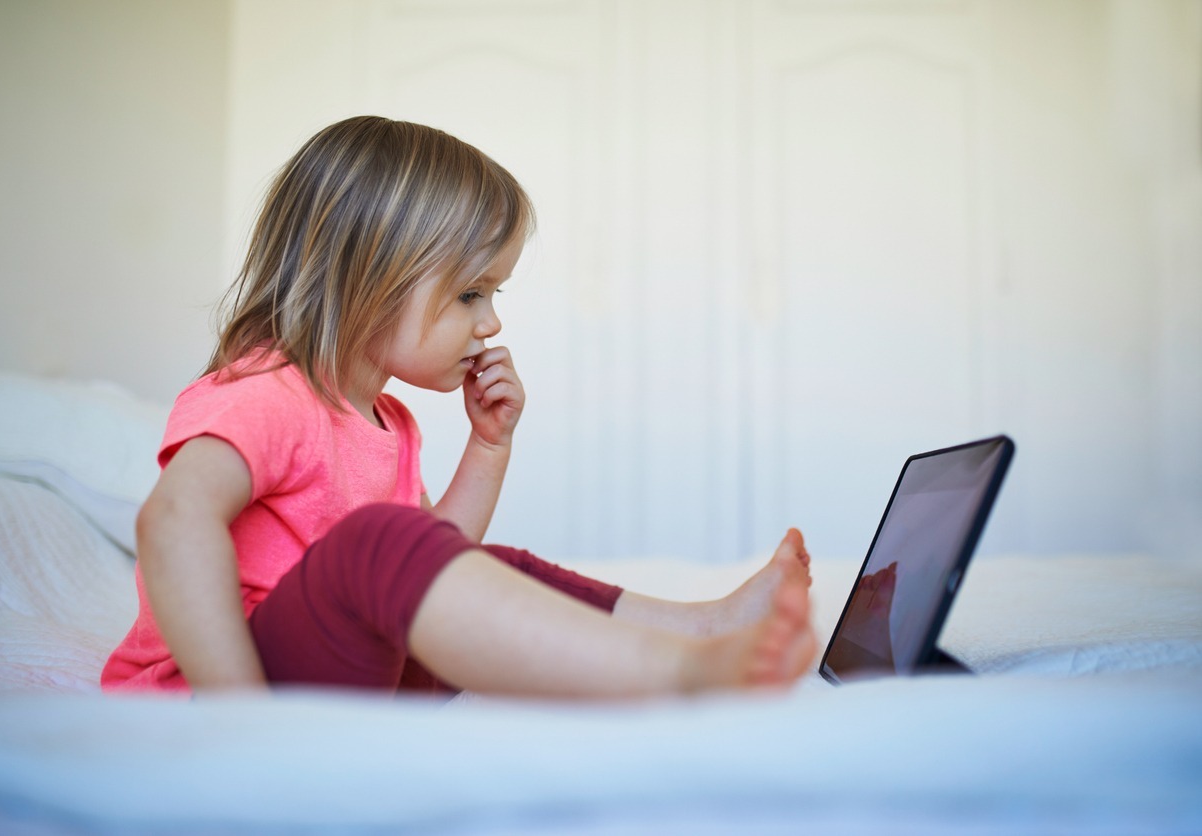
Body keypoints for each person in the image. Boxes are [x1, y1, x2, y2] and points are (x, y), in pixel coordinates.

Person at [101, 115, 816, 700]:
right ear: (368, 279)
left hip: (344, 678)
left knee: (481, 564)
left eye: (493, 296)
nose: (491, 323)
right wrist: (237, 715)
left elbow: (430, 561)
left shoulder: (388, 422)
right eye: (471, 293)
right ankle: (680, 676)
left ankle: (701, 628)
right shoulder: (268, 393)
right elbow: (172, 519)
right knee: (377, 544)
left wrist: (489, 446)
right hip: (220, 690)